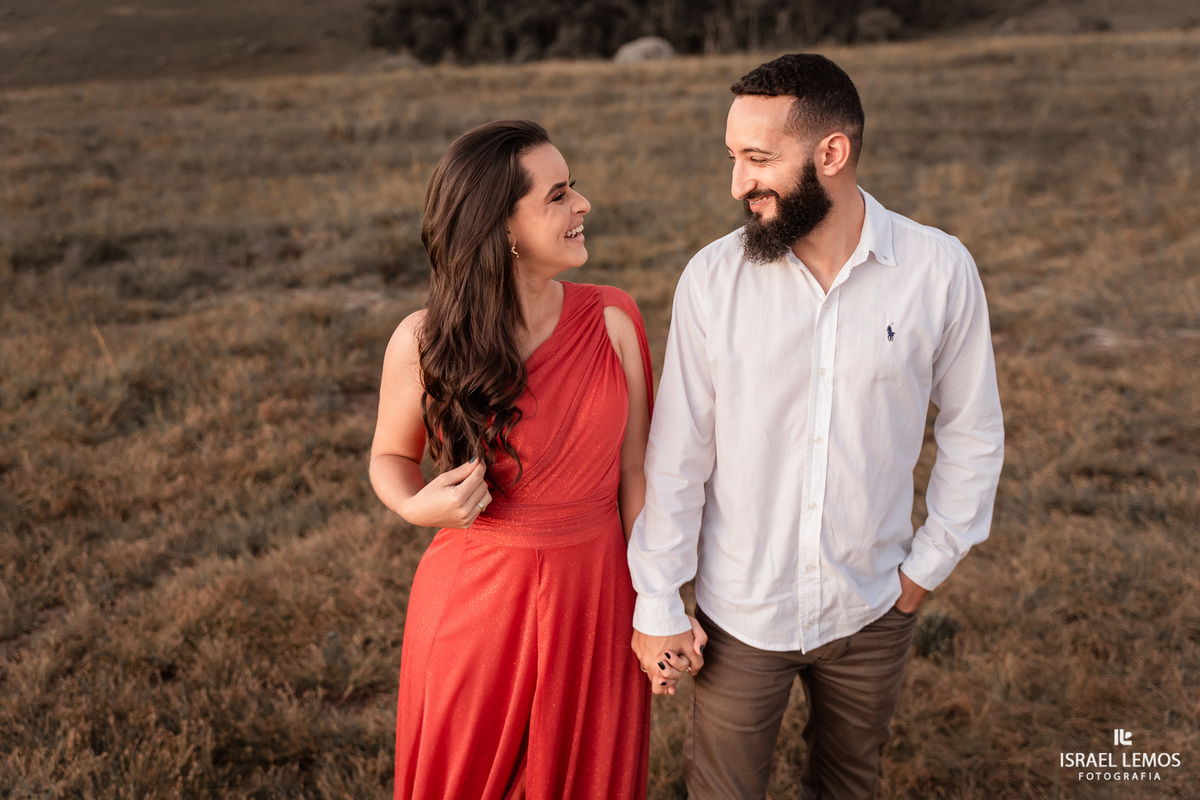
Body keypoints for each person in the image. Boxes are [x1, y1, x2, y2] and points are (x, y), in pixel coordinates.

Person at [628, 54, 1005, 799]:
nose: (738, 183)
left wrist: (920, 575)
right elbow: (677, 458)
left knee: (849, 784)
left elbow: (974, 431)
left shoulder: (938, 270)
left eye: (759, 159)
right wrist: (660, 600)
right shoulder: (713, 279)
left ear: (831, 153)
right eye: (733, 158)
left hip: (874, 606)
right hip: (741, 616)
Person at [370, 120, 656, 799]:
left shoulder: (614, 319)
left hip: (597, 597)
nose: (582, 205)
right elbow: (388, 453)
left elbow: (638, 474)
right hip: (476, 603)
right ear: (500, 228)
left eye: (573, 188)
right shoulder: (422, 339)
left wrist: (659, 600)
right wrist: (416, 504)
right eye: (558, 195)